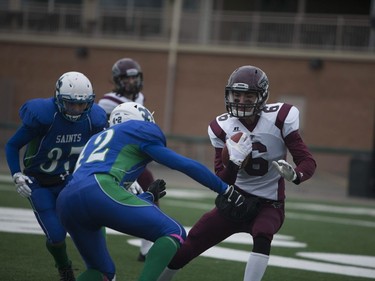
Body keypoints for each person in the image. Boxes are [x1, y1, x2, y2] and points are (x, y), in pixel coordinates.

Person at [157, 65, 317, 281]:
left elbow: (307, 160)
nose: (241, 101)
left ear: (262, 97)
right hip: (235, 200)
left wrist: (295, 175)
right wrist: (234, 163)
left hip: (269, 202)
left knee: (263, 234)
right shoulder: (221, 127)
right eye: (237, 95)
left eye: (249, 95)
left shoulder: (280, 118)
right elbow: (220, 181)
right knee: (195, 238)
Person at [56, 102, 246, 281]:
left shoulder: (97, 139)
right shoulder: (137, 131)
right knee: (174, 232)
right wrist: (224, 189)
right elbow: (183, 164)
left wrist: (147, 196)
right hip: (98, 189)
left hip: (67, 200)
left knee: (101, 272)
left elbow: (109, 193)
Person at [5, 71, 108, 281]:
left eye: (82, 104)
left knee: (95, 211)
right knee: (56, 236)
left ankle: (101, 263)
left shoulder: (93, 119)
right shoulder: (44, 116)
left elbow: (103, 148)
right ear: (59, 98)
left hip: (69, 180)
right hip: (39, 182)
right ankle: (64, 267)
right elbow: (12, 145)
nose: (77, 109)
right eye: (71, 104)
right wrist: (16, 174)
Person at [98, 57, 155, 261]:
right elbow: (102, 130)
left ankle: (147, 246)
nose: (131, 82)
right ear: (117, 79)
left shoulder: (140, 97)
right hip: (113, 158)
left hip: (134, 157)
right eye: (126, 78)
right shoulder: (107, 102)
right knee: (102, 200)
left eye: (134, 77)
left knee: (151, 188)